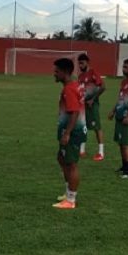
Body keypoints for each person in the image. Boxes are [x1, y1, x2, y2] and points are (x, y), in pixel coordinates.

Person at [52, 58, 86, 210]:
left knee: (71, 164)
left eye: (56, 71)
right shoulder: (74, 85)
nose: (54, 74)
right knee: (61, 158)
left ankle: (71, 200)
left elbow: (74, 112)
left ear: (65, 72)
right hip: (73, 130)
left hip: (73, 132)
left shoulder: (69, 89)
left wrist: (67, 134)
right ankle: (68, 193)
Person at [77, 53, 105, 160]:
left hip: (92, 106)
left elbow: (103, 86)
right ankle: (82, 150)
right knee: (82, 126)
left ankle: (101, 152)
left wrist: (92, 99)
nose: (80, 65)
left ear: (87, 63)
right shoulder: (80, 76)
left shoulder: (93, 73)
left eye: (82, 63)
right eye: (79, 63)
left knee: (96, 127)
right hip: (82, 105)